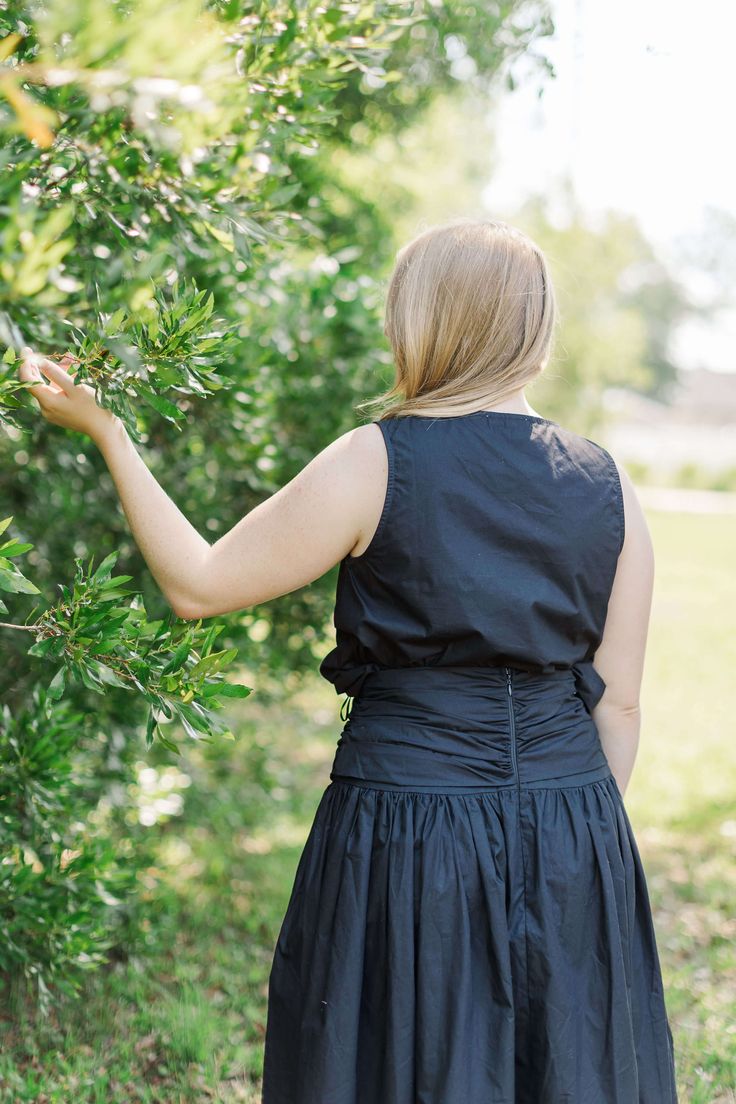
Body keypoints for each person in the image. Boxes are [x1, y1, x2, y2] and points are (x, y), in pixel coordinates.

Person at [19, 216, 678, 1103]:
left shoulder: (379, 459)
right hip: (573, 824)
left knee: (394, 1063)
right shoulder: (609, 484)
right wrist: (568, 837)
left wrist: (109, 432)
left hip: (408, 829)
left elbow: (200, 583)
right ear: (534, 329)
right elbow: (621, 702)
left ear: (421, 323)